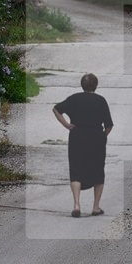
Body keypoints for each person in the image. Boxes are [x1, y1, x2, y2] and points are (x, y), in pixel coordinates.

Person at [52, 73, 113, 217]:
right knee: (98, 171)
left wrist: (67, 125)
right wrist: (101, 137)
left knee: (76, 169)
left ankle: (76, 205)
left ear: (82, 85)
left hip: (77, 136)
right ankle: (96, 207)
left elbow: (56, 109)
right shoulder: (101, 101)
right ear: (96, 86)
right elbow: (109, 125)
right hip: (96, 137)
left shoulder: (74, 98)